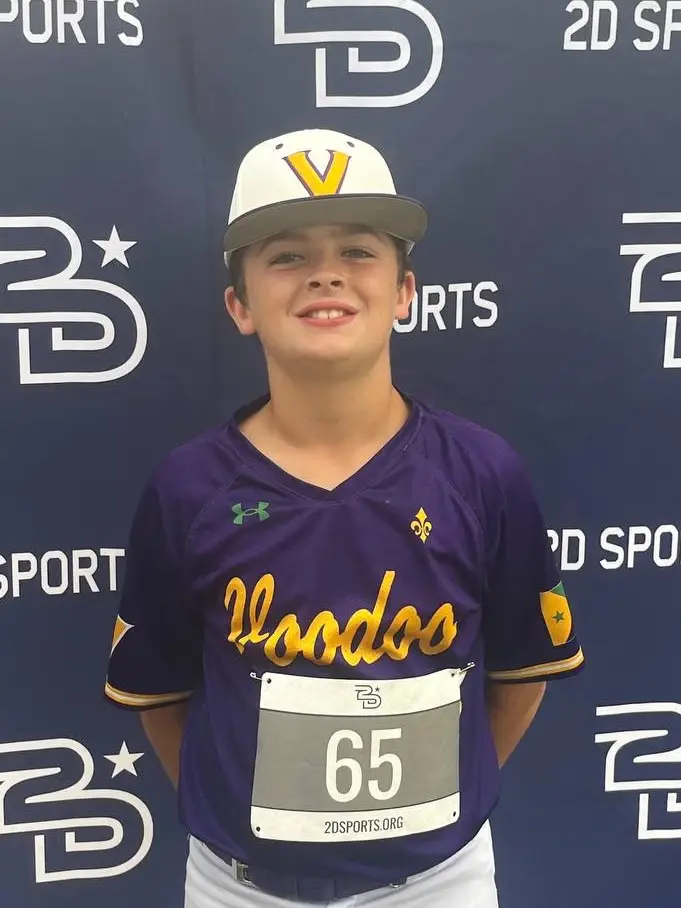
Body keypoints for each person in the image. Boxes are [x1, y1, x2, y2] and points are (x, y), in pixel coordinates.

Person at [104, 127, 585, 908]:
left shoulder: (481, 474)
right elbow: (160, 693)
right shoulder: (188, 488)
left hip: (438, 883)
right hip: (238, 888)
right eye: (286, 255)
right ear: (239, 305)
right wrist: (238, 819)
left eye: (358, 251)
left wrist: (430, 813)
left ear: (404, 292)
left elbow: (519, 677)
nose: (325, 274)